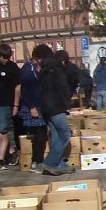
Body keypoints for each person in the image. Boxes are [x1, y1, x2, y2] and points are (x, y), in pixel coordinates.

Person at [36, 44, 75, 176]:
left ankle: (60, 165)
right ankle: (50, 163)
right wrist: (67, 105)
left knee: (56, 135)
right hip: (56, 106)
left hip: (46, 106)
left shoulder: (43, 69)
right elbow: (63, 86)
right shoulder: (57, 67)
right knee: (65, 133)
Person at [19, 51, 47, 173]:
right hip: (32, 106)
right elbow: (24, 90)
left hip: (41, 105)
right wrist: (31, 107)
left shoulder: (39, 68)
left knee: (41, 133)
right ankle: (36, 161)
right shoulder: (28, 69)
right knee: (39, 134)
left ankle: (39, 160)